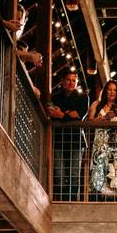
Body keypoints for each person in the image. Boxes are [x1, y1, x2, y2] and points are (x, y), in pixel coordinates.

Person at [87, 79, 117, 199]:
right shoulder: (97, 105)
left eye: (115, 90)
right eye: (109, 89)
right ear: (105, 91)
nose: (112, 92)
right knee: (101, 172)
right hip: (101, 144)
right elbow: (90, 121)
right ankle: (99, 199)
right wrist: (104, 118)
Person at [48, 71, 89, 200]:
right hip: (59, 139)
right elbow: (51, 113)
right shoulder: (55, 97)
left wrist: (62, 115)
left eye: (73, 80)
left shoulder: (83, 97)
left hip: (76, 140)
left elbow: (79, 116)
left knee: (74, 174)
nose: (71, 82)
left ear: (76, 82)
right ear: (62, 82)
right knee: (59, 174)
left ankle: (72, 202)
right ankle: (60, 202)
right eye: (68, 80)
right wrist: (68, 115)